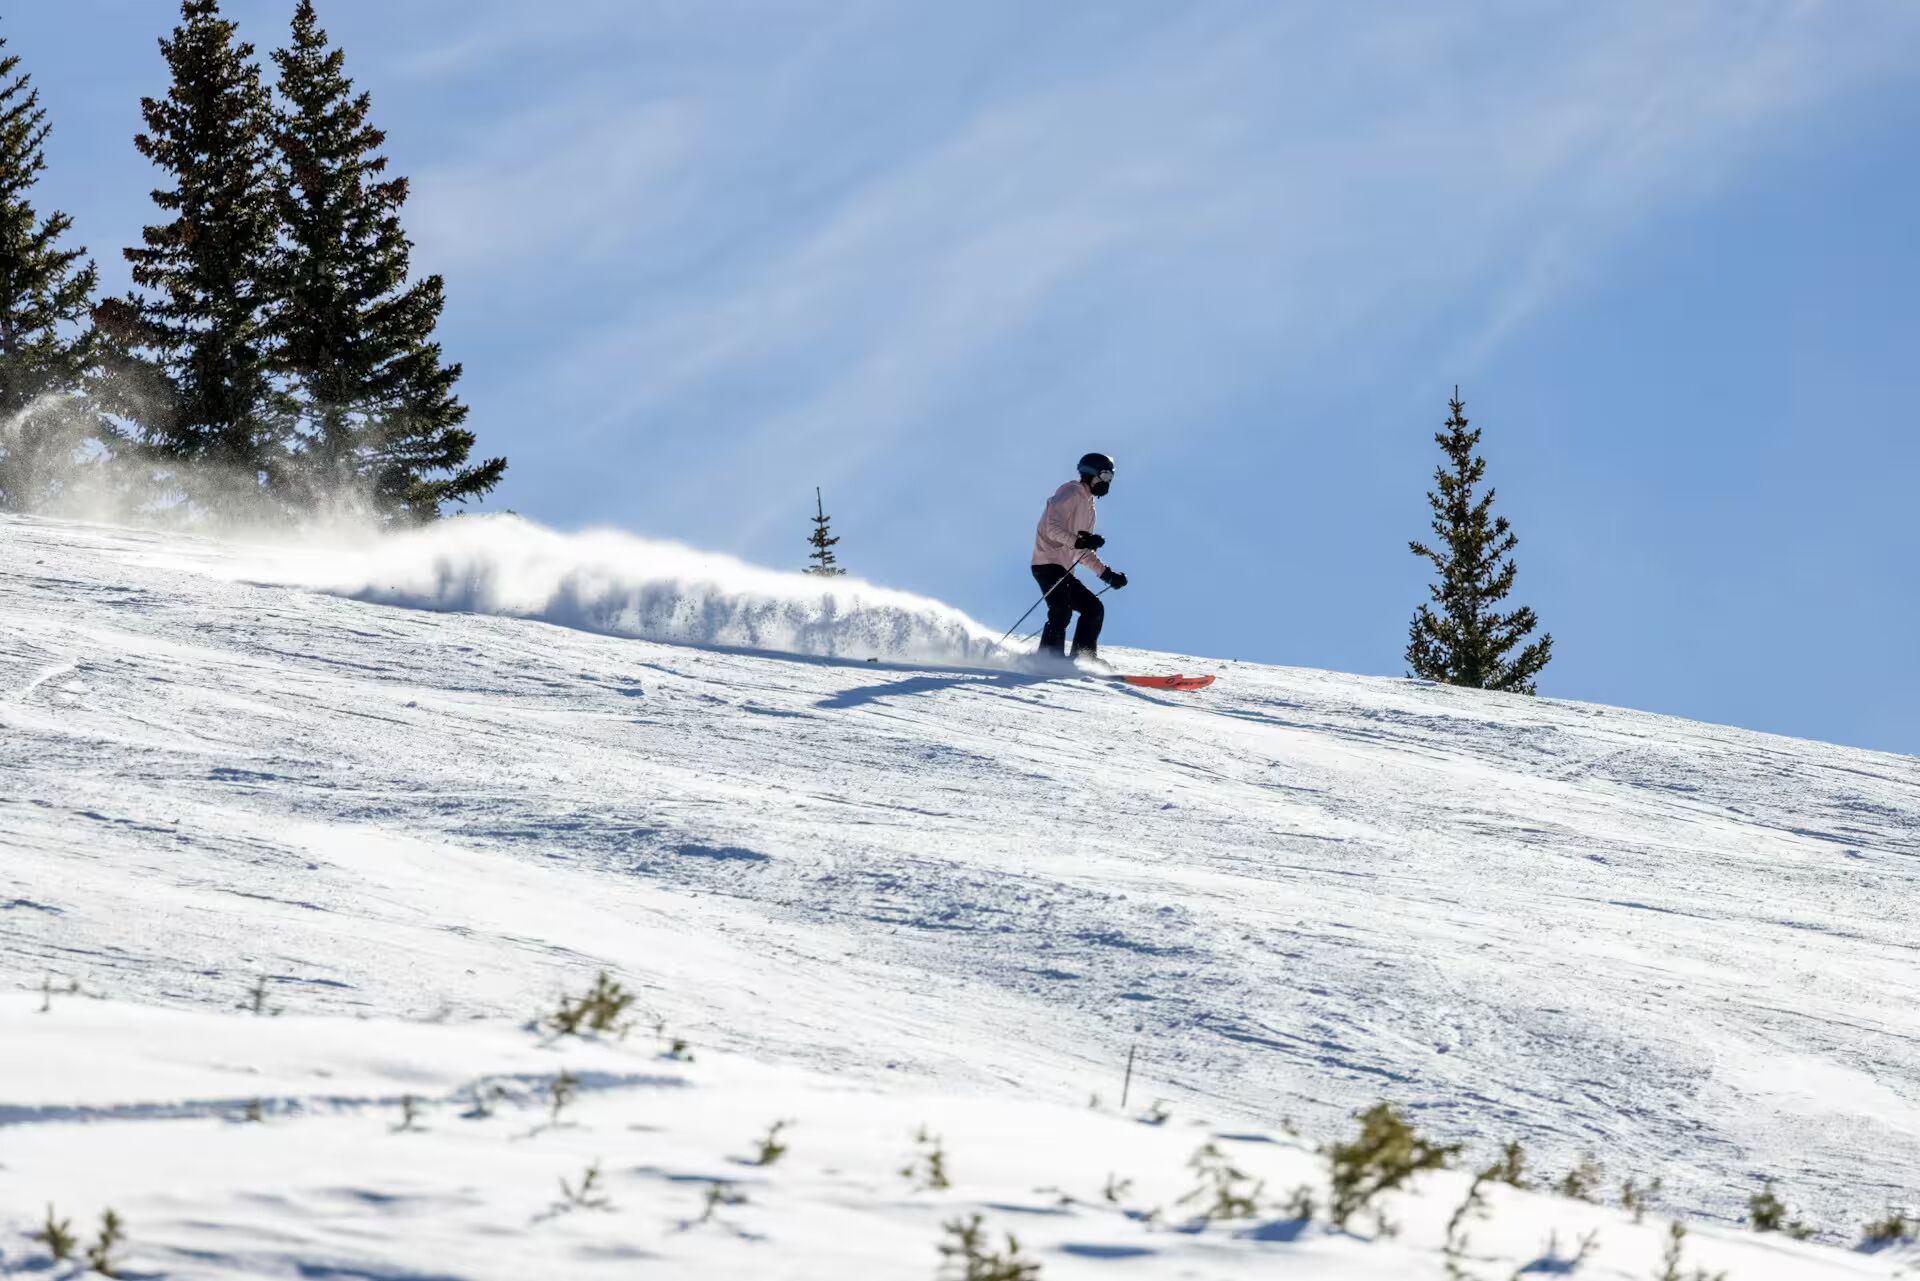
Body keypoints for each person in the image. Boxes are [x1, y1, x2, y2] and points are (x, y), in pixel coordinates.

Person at [1030, 452, 1128, 661]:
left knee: (1094, 608)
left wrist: (1107, 574)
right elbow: (1052, 527)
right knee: (1061, 611)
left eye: (1111, 478)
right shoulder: (1071, 491)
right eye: (1105, 475)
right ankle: (1048, 660)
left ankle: (1083, 659)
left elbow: (1081, 553)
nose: (1107, 482)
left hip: (1063, 570)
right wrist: (1081, 542)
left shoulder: (1090, 509)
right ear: (1090, 473)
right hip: (1047, 563)